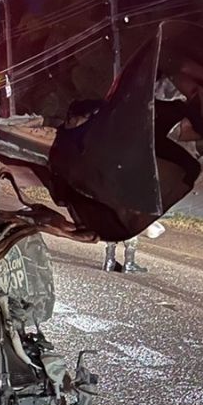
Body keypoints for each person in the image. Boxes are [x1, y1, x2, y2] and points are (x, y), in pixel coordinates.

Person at [64, 98, 149, 274]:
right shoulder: (118, 135)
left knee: (112, 222)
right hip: (122, 186)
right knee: (129, 224)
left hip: (105, 187)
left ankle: (109, 261)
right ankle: (129, 263)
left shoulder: (96, 137)